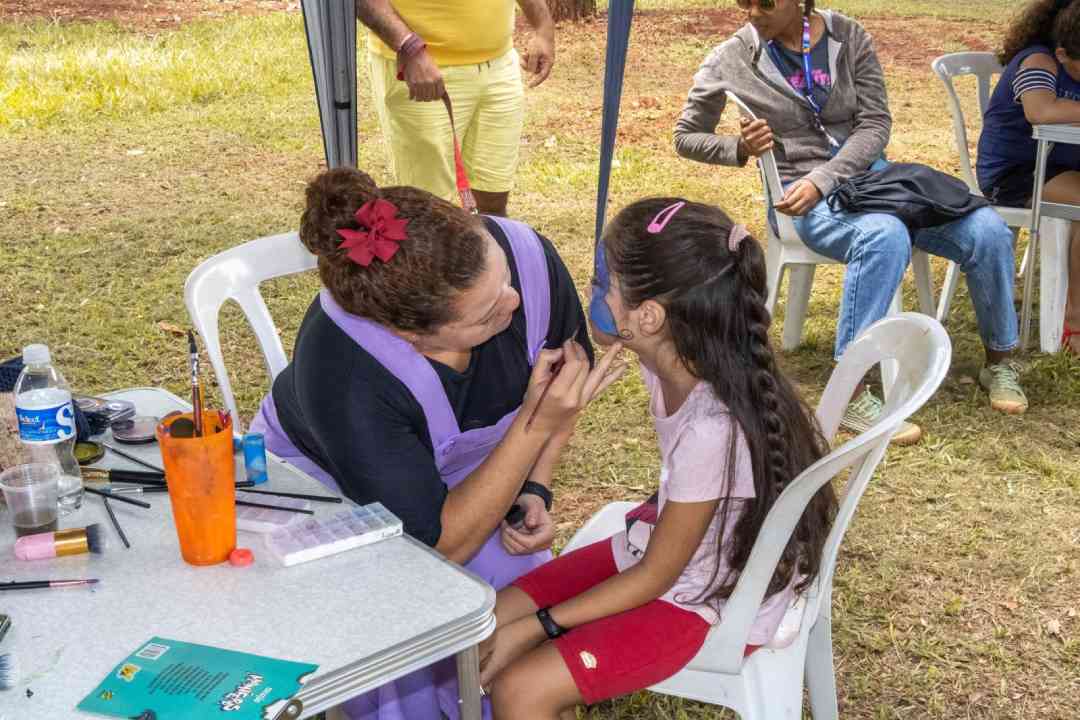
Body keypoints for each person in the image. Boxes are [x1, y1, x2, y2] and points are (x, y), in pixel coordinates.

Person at [249, 167, 626, 719]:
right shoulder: (347, 370)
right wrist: (534, 427)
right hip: (332, 495)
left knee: (526, 623)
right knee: (412, 639)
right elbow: (437, 547)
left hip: (472, 478)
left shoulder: (523, 255)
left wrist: (537, 488)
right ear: (412, 336)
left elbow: (564, 387)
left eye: (501, 277)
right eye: (487, 311)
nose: (514, 301)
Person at [476, 198, 837, 719]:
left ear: (648, 316)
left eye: (606, 285)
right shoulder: (678, 352)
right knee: (488, 621)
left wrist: (545, 624)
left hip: (701, 601)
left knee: (520, 688)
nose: (596, 294)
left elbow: (657, 580)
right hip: (659, 550)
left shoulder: (712, 428)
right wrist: (540, 485)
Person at [674, 0, 1029, 443]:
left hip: (874, 182)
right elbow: (686, 136)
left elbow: (876, 123)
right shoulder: (733, 56)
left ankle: (1000, 360)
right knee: (884, 235)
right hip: (800, 198)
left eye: (764, 2)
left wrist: (827, 177)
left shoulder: (848, 36)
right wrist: (740, 149)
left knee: (987, 229)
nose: (752, 11)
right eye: (743, 1)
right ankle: (851, 387)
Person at [355, 0, 556, 216]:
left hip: (499, 64)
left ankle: (485, 248)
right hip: (422, 68)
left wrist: (543, 27)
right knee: (428, 208)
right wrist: (410, 47)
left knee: (493, 196)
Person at [978, 0, 1080, 355]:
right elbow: (1041, 110)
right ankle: (1074, 324)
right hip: (1017, 175)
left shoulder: (1067, 60)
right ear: (1065, 54)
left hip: (1063, 167)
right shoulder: (1038, 61)